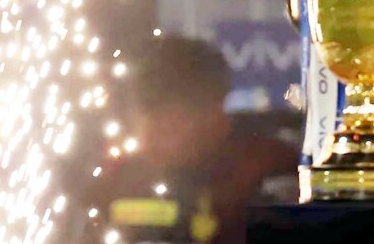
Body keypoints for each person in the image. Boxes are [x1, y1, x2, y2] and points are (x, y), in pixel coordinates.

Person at [77, 36, 299, 244]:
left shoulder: (268, 168)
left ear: (214, 114)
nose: (152, 139)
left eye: (170, 125)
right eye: (146, 121)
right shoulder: (118, 180)